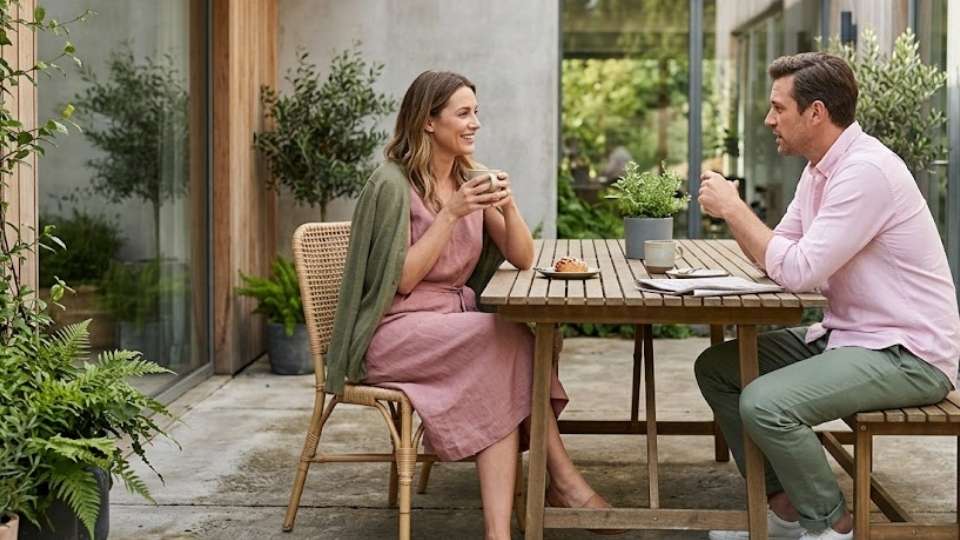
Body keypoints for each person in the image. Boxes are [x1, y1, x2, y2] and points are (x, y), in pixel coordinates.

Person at [324, 70, 617, 540]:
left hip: (454, 327)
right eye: (463, 113)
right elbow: (402, 279)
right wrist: (452, 213)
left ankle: (502, 530)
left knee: (504, 352)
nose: (475, 122)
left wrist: (509, 204)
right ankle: (563, 482)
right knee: (504, 338)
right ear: (427, 122)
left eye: (476, 112)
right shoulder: (392, 185)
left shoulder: (469, 179)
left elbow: (522, 257)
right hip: (395, 331)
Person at [695, 52, 960, 540]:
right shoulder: (819, 169)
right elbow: (779, 253)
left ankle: (832, 525)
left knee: (766, 402)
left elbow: (797, 270)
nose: (768, 119)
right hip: (848, 334)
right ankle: (786, 510)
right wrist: (751, 233)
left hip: (907, 353)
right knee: (719, 369)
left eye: (779, 108)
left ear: (816, 112)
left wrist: (733, 210)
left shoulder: (865, 172)